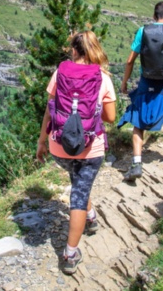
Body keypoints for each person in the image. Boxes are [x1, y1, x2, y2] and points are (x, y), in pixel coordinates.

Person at [36, 30, 116, 275]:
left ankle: (90, 217)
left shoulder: (60, 73)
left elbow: (50, 110)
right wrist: (93, 111)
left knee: (79, 180)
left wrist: (41, 142)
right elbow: (111, 118)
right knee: (79, 194)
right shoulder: (101, 77)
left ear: (74, 50)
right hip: (90, 147)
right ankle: (70, 254)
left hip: (59, 146)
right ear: (94, 50)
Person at [118, 1, 163, 181]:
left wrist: (125, 82)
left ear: (153, 16)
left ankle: (136, 163)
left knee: (138, 118)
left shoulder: (143, 32)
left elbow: (130, 61)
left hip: (146, 80)